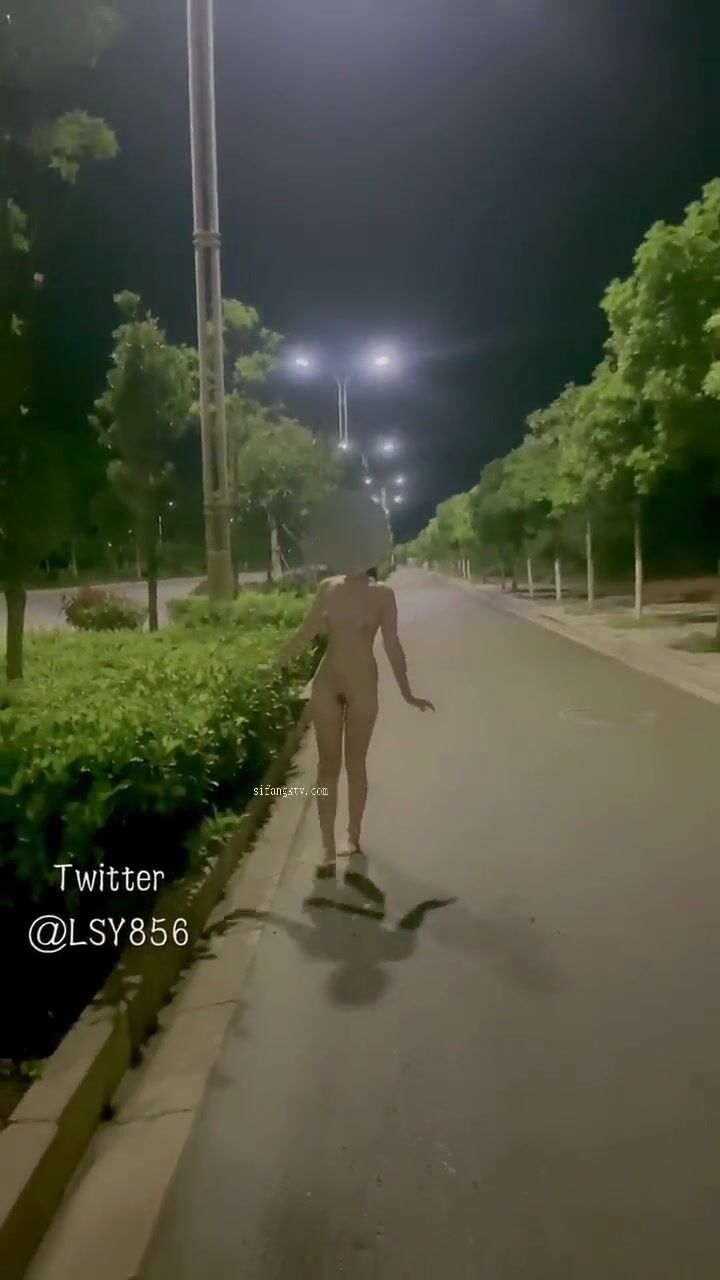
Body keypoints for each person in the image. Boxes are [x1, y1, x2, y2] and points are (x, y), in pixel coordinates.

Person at [275, 568, 434, 885]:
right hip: (327, 684)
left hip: (363, 686)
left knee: (355, 763)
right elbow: (307, 631)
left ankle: (352, 835)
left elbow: (392, 644)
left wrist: (407, 692)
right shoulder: (328, 587)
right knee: (327, 765)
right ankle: (326, 846)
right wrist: (275, 664)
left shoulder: (383, 594)